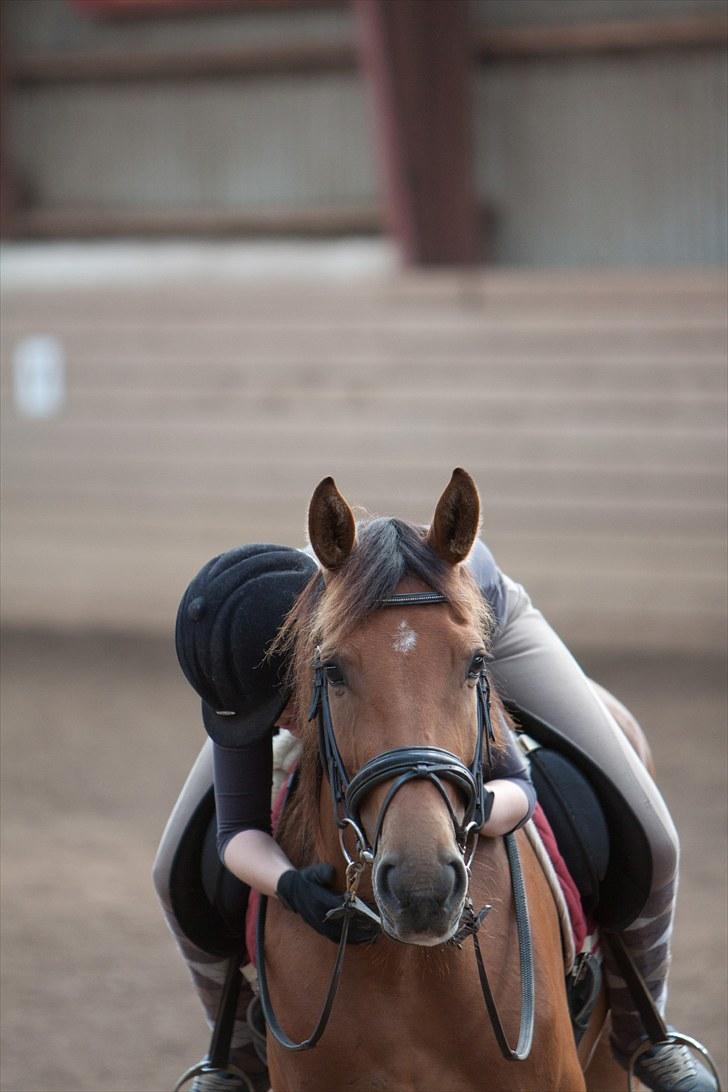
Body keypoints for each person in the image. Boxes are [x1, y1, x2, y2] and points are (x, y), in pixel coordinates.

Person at [154, 537, 717, 1092]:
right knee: (170, 869)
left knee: (657, 837)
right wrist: (288, 885)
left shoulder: (404, 636)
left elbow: (516, 784)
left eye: (282, 714)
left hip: (473, 616)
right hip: (340, 649)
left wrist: (465, 811)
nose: (281, 732)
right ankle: (233, 1056)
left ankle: (644, 1029)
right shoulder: (244, 653)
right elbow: (236, 832)